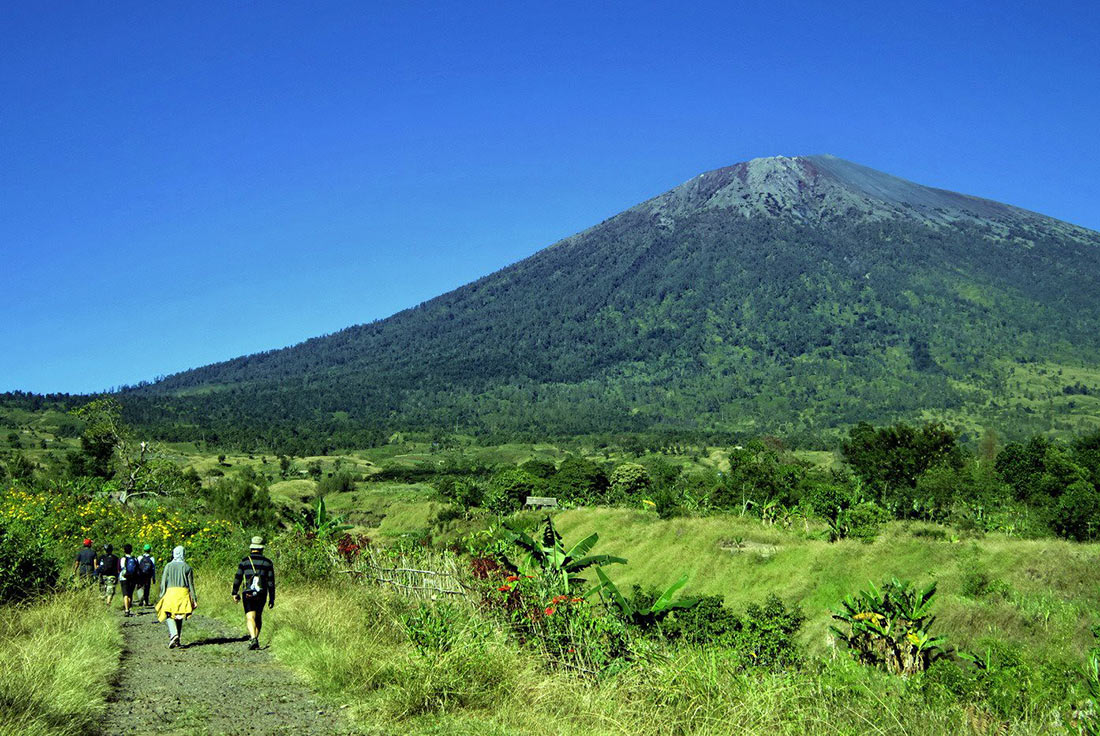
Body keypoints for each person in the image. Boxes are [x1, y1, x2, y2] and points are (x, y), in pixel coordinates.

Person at [231, 536, 275, 650]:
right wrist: (272, 598)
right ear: (262, 549)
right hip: (262, 593)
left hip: (248, 593)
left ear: (251, 548)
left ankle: (253, 638)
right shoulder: (267, 563)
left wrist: (234, 592)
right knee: (258, 616)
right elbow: (271, 582)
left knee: (250, 616)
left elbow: (238, 577)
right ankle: (255, 639)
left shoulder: (245, 561)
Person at [155, 546, 196, 649]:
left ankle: (174, 635)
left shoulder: (168, 566)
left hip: (171, 593)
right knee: (179, 616)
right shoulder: (187, 567)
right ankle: (177, 639)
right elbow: (191, 585)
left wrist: (162, 594)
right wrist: (194, 598)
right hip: (183, 593)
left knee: (168, 614)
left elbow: (164, 581)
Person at [119, 543, 139, 616]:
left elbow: (120, 568)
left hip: (124, 578)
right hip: (132, 578)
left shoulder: (123, 559)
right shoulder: (134, 559)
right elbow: (137, 569)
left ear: (124, 550)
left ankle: (126, 610)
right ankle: (129, 608)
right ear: (131, 550)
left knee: (125, 594)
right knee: (130, 594)